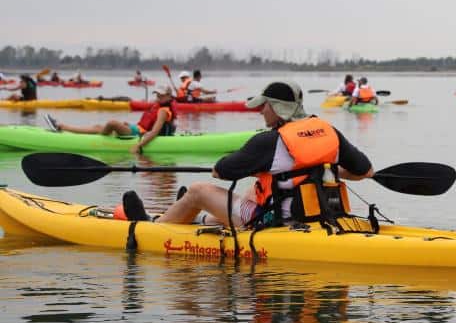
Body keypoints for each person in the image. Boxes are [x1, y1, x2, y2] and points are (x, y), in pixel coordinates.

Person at [122, 80, 374, 229]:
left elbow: (221, 170)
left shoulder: (269, 141)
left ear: (277, 108)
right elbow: (366, 171)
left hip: (276, 221)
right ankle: (199, 219)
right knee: (258, 188)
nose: (261, 111)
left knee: (198, 190)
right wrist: (322, 171)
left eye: (264, 106)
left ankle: (152, 227)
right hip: (321, 216)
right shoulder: (328, 131)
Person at [44, 85, 176, 154]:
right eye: (157, 95)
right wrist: (129, 125)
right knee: (97, 127)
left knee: (111, 123)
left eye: (161, 95)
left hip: (138, 135)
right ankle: (61, 126)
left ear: (169, 97)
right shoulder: (159, 106)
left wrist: (138, 145)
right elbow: (145, 125)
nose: (158, 97)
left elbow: (153, 132)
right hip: (136, 130)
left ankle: (101, 137)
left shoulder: (163, 111)